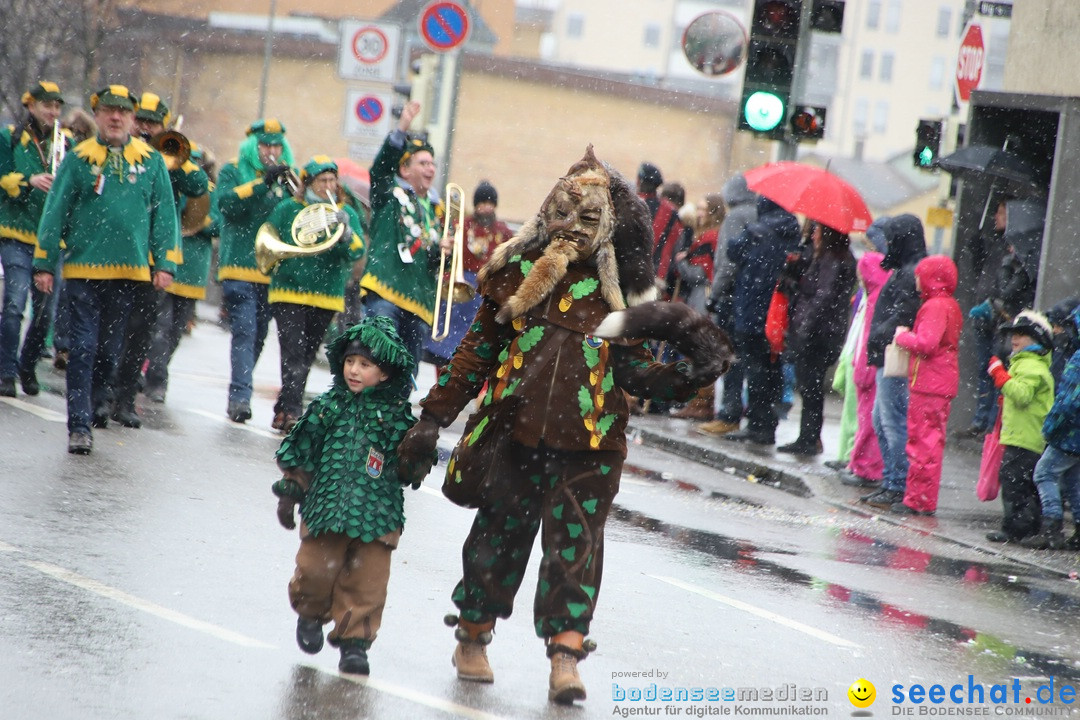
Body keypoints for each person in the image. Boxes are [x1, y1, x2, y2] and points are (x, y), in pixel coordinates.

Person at [395, 147, 729, 705]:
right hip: (513, 432)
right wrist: (431, 420)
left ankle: (565, 658)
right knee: (495, 541)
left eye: (588, 215)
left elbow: (636, 371)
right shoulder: (518, 273)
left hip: (590, 444)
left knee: (575, 551)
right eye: (564, 211)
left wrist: (692, 372)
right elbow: (475, 355)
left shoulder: (618, 292)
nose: (573, 225)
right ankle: (472, 637)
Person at [272, 316, 426, 676]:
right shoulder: (328, 407)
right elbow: (304, 451)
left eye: (366, 364)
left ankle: (354, 644)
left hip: (377, 516)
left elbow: (407, 473)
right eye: (350, 362)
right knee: (313, 572)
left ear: (385, 373)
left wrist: (418, 453)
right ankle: (310, 614)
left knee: (367, 584)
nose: (354, 370)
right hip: (326, 508)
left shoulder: (398, 418)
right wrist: (291, 490)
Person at [32, 85, 178, 454]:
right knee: (82, 348)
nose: (116, 118)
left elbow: (165, 217)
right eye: (109, 111)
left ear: (132, 119)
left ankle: (98, 401)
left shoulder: (151, 161)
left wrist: (165, 264)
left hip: (128, 275)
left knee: (110, 351)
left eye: (123, 112)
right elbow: (55, 211)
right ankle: (79, 425)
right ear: (97, 115)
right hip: (83, 271)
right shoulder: (80, 159)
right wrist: (45, 263)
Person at [108, 92, 209, 428]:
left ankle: (126, 393)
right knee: (114, 325)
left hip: (153, 254)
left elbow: (198, 186)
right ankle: (107, 388)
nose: (146, 127)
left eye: (153, 123)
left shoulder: (169, 154)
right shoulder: (118, 148)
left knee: (144, 328)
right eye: (143, 121)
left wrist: (177, 157)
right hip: (121, 249)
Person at [267, 156, 366, 432]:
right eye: (322, 181)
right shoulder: (289, 208)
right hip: (289, 291)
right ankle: (293, 412)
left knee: (307, 354)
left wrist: (346, 232)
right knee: (293, 353)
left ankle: (284, 408)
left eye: (333, 180)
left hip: (326, 294)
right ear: (309, 183)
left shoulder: (345, 213)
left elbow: (357, 251)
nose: (328, 186)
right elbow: (269, 241)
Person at [216, 118, 296, 422]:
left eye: (277, 145)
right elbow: (226, 205)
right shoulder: (233, 169)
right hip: (239, 267)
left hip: (271, 272)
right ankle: (239, 397)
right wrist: (262, 183)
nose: (271, 151)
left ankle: (241, 388)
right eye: (265, 145)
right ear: (254, 145)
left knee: (259, 335)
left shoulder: (288, 177)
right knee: (245, 332)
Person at [359, 100, 441, 375]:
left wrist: (444, 251)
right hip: (386, 293)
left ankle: (391, 418)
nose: (431, 168)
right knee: (376, 361)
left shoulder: (437, 211)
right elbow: (381, 168)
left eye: (432, 163)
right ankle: (365, 416)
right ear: (405, 170)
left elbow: (434, 261)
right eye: (423, 163)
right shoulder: (389, 195)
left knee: (406, 375)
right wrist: (402, 126)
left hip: (419, 304)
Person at [0, 81, 70, 397]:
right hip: (16, 234)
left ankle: (27, 366)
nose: (53, 112)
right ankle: (5, 371)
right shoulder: (10, 138)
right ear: (31, 106)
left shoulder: (66, 143)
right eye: (47, 105)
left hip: (49, 240)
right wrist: (28, 180)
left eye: (57, 107)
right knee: (14, 305)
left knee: (44, 314)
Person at [722, 196, 801, 446]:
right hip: (777, 311)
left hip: (752, 308)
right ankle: (768, 425)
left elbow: (733, 251)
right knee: (772, 368)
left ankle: (757, 426)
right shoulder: (794, 233)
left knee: (755, 370)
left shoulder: (757, 231)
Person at [860, 215, 927, 510]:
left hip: (895, 356)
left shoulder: (911, 272)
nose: (887, 245)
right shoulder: (904, 269)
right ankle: (891, 481)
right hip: (887, 354)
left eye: (891, 238)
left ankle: (897, 484)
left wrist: (879, 335)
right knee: (882, 420)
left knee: (892, 421)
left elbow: (904, 314)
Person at [888, 255, 963, 516]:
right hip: (938, 383)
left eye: (921, 275)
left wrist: (902, 336)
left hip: (930, 385)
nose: (917, 280)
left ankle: (917, 500)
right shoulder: (949, 305)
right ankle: (922, 498)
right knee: (929, 443)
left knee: (922, 443)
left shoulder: (935, 306)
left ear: (932, 277)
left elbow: (927, 344)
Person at [144, 144, 219, 403]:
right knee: (160, 328)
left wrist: (200, 221)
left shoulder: (209, 190)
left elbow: (218, 224)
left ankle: (157, 371)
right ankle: (156, 379)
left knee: (175, 332)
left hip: (193, 272)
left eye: (197, 162)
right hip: (169, 264)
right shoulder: (170, 187)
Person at [778, 221, 857, 455]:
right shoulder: (831, 257)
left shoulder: (832, 259)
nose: (813, 235)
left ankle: (809, 438)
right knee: (809, 385)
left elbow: (822, 296)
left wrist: (804, 327)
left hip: (818, 334)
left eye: (818, 231)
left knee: (810, 386)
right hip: (823, 332)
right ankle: (809, 436)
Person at [980, 311, 1053, 543]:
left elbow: (1021, 395)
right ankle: (1025, 528)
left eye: (1021, 334)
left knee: (1015, 482)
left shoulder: (1031, 366)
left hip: (1026, 437)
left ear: (1036, 340)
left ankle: (1018, 529)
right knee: (1022, 483)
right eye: (1014, 334)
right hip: (1023, 436)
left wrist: (999, 374)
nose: (1015, 338)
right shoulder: (1024, 362)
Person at [424, 179, 511, 368]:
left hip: (485, 290)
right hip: (457, 291)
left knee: (476, 346)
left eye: (489, 204)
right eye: (481, 204)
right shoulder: (461, 225)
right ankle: (443, 382)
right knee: (446, 348)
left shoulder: (503, 232)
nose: (486, 208)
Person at [699, 174, 758, 436]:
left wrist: (716, 294)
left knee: (731, 359)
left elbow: (727, 261)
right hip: (751, 297)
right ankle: (748, 417)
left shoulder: (736, 217)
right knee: (749, 362)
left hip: (732, 298)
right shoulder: (759, 214)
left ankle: (729, 415)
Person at [1023, 305, 1080, 549]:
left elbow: (1067, 402)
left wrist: (1050, 428)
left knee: (1044, 473)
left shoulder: (1077, 359)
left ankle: (1051, 528)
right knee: (1073, 480)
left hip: (1069, 433)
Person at [836, 251, 890, 487]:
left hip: (867, 369)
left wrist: (863, 368)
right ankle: (858, 463)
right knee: (864, 419)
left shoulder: (876, 299)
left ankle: (866, 468)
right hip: (864, 366)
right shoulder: (875, 295)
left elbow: (869, 337)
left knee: (868, 421)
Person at [671, 194, 724, 420]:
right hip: (700, 297)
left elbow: (700, 274)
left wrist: (681, 262)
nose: (700, 214)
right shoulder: (707, 236)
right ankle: (699, 402)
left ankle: (701, 403)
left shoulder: (710, 237)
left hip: (702, 297)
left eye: (704, 209)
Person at [636, 162, 685, 300]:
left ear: (638, 180)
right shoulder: (671, 213)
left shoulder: (630, 205)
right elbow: (677, 246)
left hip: (627, 274)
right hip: (657, 278)